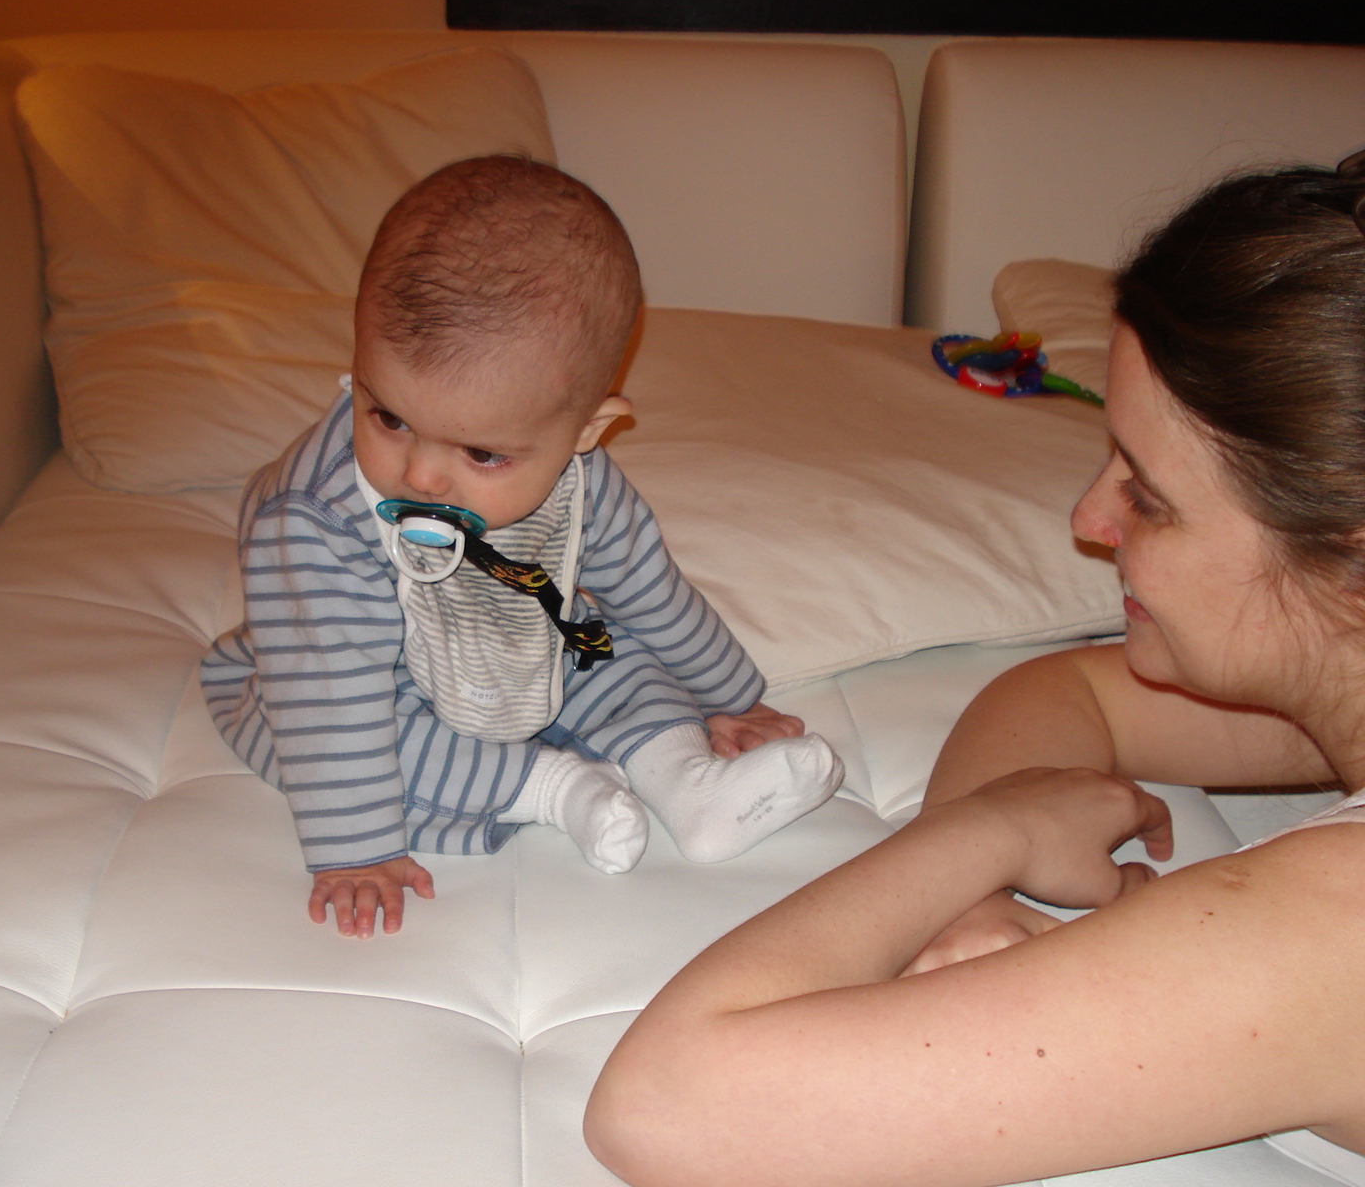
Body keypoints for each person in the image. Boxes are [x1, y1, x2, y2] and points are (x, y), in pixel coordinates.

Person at [584, 156, 1365, 1187]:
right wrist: (976, 899)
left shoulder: (1331, 933)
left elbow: (666, 1108)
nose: (1089, 520)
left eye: (1150, 499)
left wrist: (983, 836)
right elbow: (1066, 692)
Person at [201, 156, 842, 939]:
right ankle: (555, 791)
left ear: (585, 433)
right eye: (389, 417)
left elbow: (651, 590)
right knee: (373, 746)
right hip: (365, 677)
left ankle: (689, 784)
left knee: (607, 646)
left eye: (482, 454)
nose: (421, 475)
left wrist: (731, 697)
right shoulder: (316, 521)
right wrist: (358, 853)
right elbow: (328, 694)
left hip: (523, 638)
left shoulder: (582, 486)